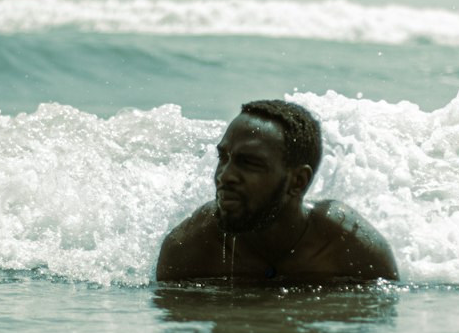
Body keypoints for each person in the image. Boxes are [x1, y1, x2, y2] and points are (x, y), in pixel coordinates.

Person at [155, 99, 398, 285]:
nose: (224, 175)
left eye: (249, 163)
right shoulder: (189, 251)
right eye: (223, 157)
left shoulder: (352, 251)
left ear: (298, 181)